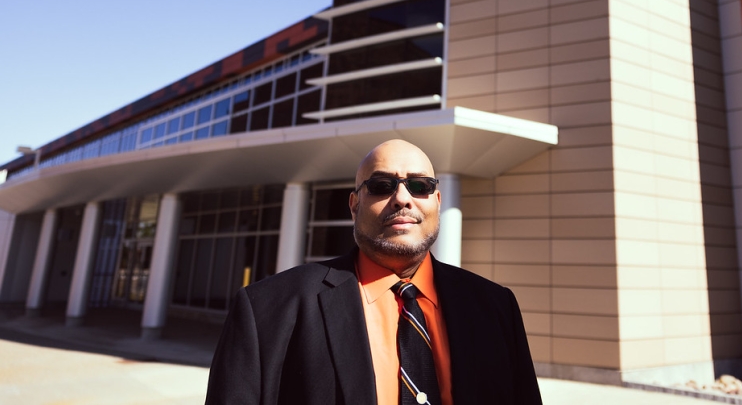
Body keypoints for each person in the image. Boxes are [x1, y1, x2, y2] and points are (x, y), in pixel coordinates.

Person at [205, 139, 542, 405]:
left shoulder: (496, 307)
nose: (402, 198)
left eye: (419, 186)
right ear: (355, 205)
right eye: (382, 185)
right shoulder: (266, 308)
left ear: (437, 201)